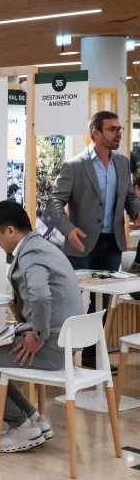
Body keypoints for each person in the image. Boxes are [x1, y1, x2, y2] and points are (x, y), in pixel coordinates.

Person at [0, 201, 83, 453]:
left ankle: (21, 426)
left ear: (10, 230)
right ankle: (34, 419)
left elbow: (41, 296)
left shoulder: (30, 254)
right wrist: (17, 331)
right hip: (64, 343)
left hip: (49, 346)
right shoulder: (44, 246)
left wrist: (37, 334)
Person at [47, 111, 140, 367]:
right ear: (95, 133)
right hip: (81, 242)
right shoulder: (75, 166)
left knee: (104, 302)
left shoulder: (123, 163)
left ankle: (89, 357)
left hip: (112, 243)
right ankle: (57, 357)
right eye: (112, 129)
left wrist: (137, 211)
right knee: (70, 300)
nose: (119, 133)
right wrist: (68, 229)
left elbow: (129, 196)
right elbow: (55, 200)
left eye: (120, 129)